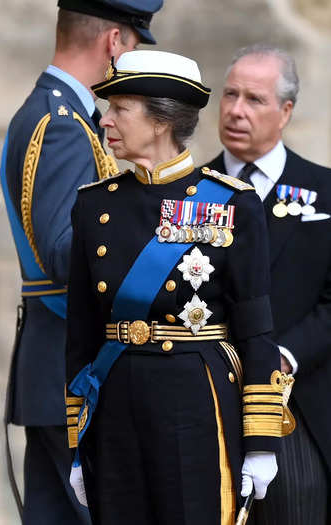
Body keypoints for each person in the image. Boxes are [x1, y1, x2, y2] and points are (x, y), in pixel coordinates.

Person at [65, 50, 291, 525]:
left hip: (196, 403)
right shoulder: (93, 206)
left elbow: (255, 333)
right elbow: (81, 337)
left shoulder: (233, 204)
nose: (105, 120)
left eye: (119, 108)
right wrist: (77, 443)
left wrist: (261, 443)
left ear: (161, 119)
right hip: (114, 404)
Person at [0, 0, 163, 522]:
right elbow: (66, 251)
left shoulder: (63, 115)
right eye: (133, 46)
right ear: (114, 42)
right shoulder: (61, 123)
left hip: (60, 371)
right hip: (72, 373)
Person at [206, 44, 331, 525]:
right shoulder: (188, 194)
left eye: (254, 99)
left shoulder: (325, 193)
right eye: (230, 94)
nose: (236, 110)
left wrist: (285, 355)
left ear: (286, 112)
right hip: (209, 403)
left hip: (298, 410)